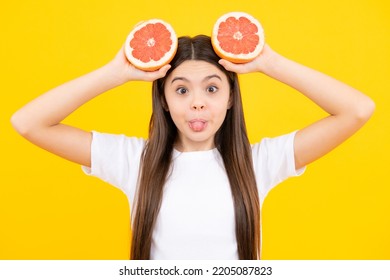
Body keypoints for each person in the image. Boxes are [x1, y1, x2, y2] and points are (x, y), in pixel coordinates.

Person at [11, 34, 375, 260]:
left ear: (231, 98)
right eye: (182, 89)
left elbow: (358, 110)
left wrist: (269, 62)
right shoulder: (132, 162)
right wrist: (115, 72)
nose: (198, 103)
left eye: (213, 88)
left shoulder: (259, 162)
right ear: (165, 101)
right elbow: (27, 123)